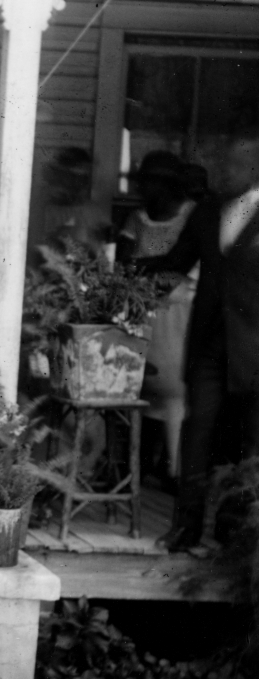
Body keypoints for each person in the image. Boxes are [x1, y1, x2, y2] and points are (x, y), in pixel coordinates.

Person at [158, 136, 259, 551]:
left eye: (233, 165)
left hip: (254, 347)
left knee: (247, 442)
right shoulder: (206, 210)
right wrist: (123, 276)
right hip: (209, 345)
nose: (222, 172)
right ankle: (185, 529)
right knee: (197, 431)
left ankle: (233, 531)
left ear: (255, 168)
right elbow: (175, 263)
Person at [118, 151, 199, 480]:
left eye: (149, 183)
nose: (143, 190)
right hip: (142, 313)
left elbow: (193, 265)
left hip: (180, 315)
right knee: (141, 386)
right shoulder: (137, 219)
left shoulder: (192, 216)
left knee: (175, 388)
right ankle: (144, 465)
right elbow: (125, 264)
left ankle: (175, 470)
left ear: (167, 186)